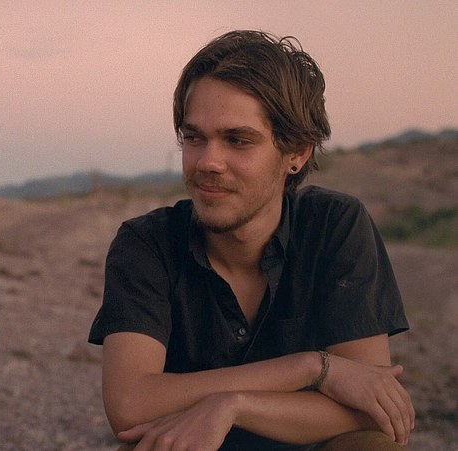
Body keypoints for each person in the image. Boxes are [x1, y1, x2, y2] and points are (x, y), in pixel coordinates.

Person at [89, 30, 413, 450]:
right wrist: (311, 368)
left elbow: (374, 410)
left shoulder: (335, 225)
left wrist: (233, 405)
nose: (208, 162)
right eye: (194, 137)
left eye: (237, 140)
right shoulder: (147, 243)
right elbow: (130, 406)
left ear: (297, 152)